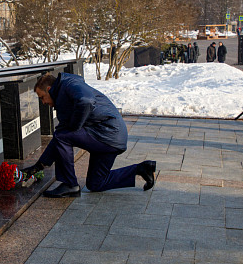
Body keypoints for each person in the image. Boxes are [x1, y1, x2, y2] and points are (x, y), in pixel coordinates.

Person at [20, 73, 156, 197]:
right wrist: (37, 166)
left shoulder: (68, 85)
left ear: (49, 89)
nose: (43, 102)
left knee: (63, 135)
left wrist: (75, 126)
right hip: (109, 136)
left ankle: (69, 184)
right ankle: (142, 169)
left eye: (42, 97)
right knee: (96, 183)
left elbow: (86, 100)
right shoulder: (64, 93)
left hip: (108, 134)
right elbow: (59, 136)